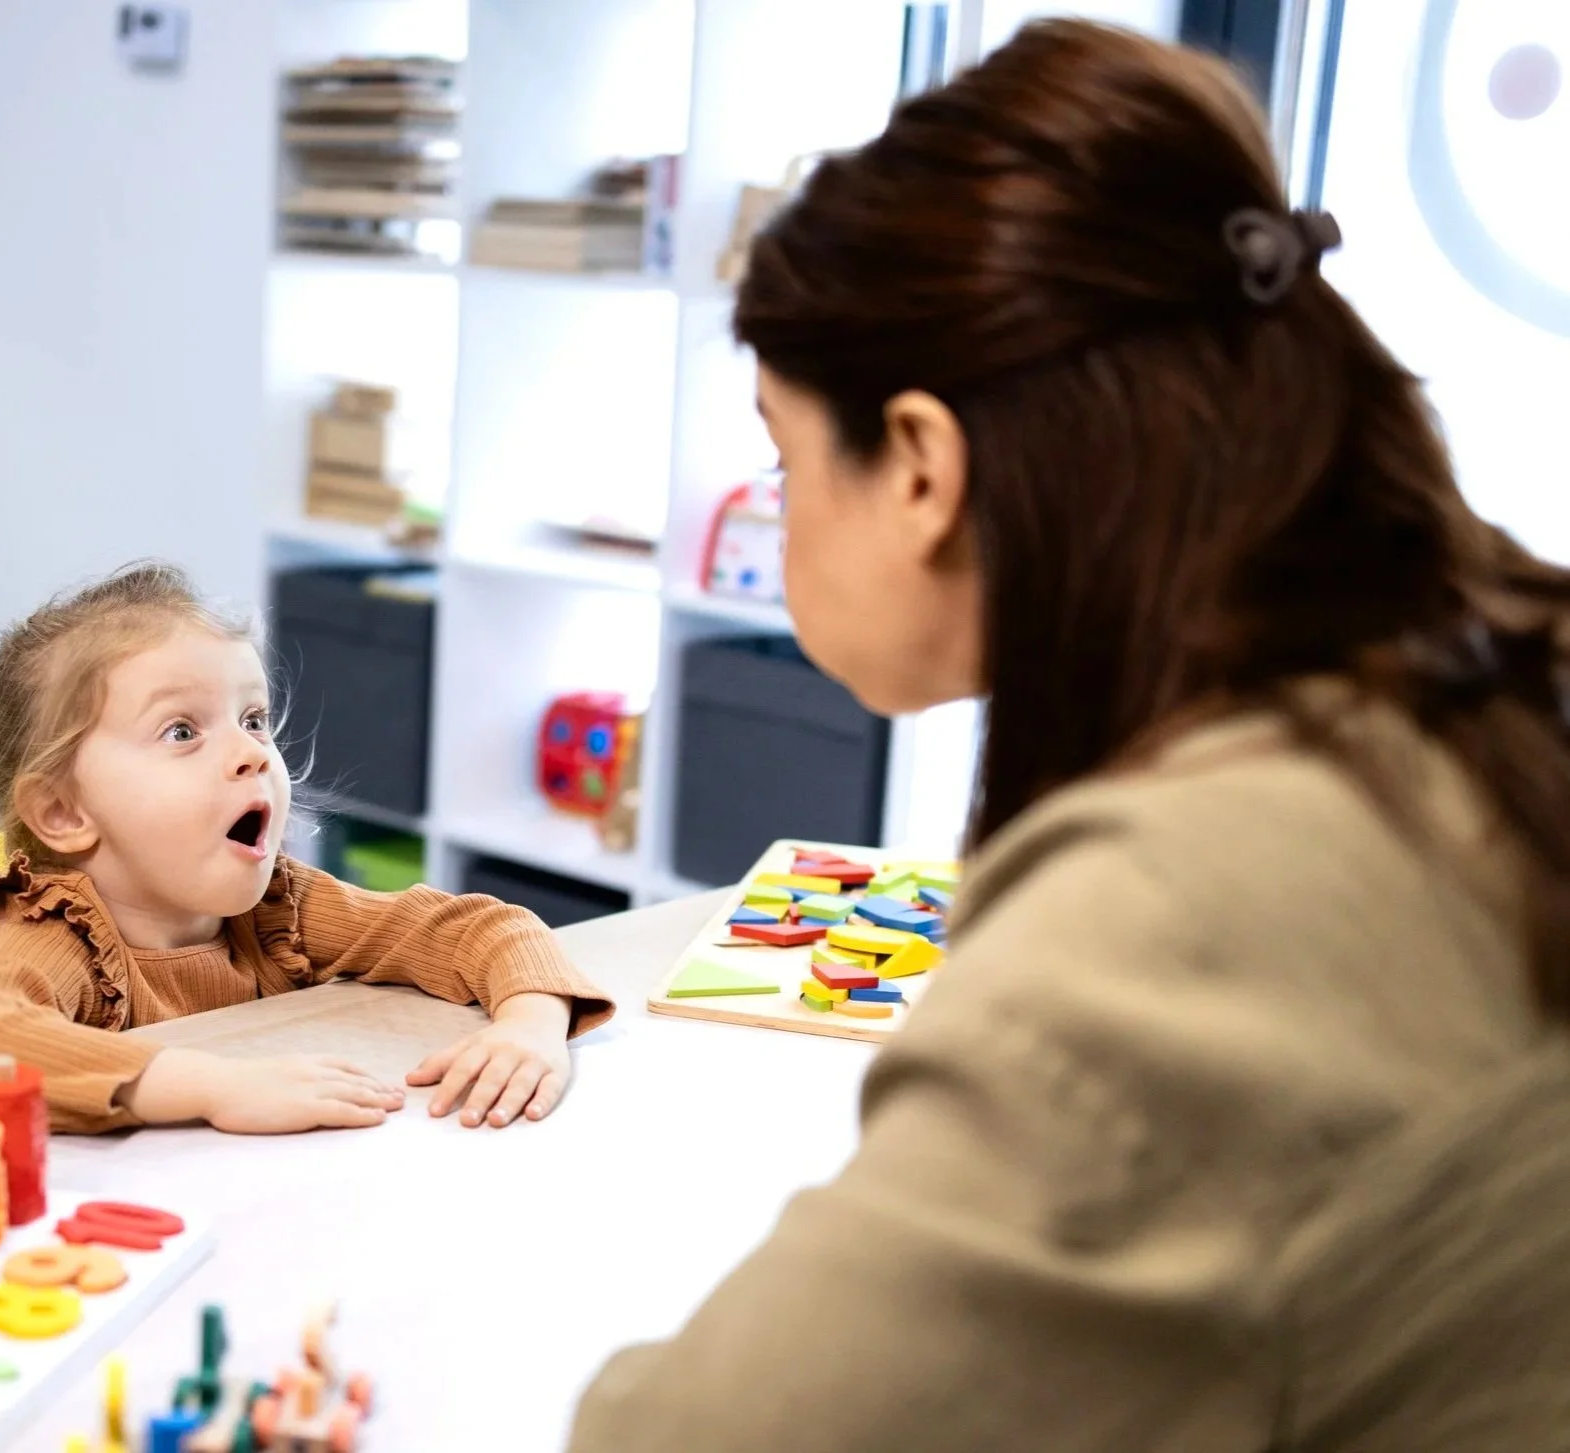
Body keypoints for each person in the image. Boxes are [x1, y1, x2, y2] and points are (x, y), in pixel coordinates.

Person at [569, 19, 1570, 1451]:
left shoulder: (1196, 903)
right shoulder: (1489, 674)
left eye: (785, 463)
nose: (781, 509)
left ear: (918, 464)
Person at [0, 563, 614, 1135]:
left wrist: (531, 1025)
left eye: (253, 718)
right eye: (181, 731)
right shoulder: (57, 936)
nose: (249, 752)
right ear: (62, 812)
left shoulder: (280, 907)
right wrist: (214, 1085)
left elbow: (482, 928)